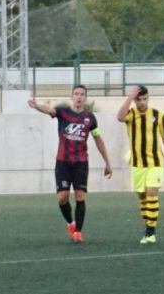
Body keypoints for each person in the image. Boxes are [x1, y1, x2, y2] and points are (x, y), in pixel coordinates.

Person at [28, 85, 112, 242]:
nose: (79, 97)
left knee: (80, 195)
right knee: (62, 197)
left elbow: (98, 139)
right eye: (76, 94)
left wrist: (107, 162)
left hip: (81, 163)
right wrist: (36, 105)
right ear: (72, 97)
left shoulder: (90, 118)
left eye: (82, 94)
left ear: (85, 98)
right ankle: (70, 223)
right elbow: (50, 110)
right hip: (63, 163)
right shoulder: (63, 112)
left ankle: (78, 232)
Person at [116, 85, 164, 245]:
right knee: (142, 197)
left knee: (151, 193)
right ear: (135, 100)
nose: (142, 102)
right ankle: (147, 226)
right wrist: (129, 97)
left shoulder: (158, 115)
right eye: (139, 99)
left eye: (145, 99)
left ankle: (151, 232)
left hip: (155, 162)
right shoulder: (130, 114)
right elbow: (119, 117)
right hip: (137, 164)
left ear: (148, 98)